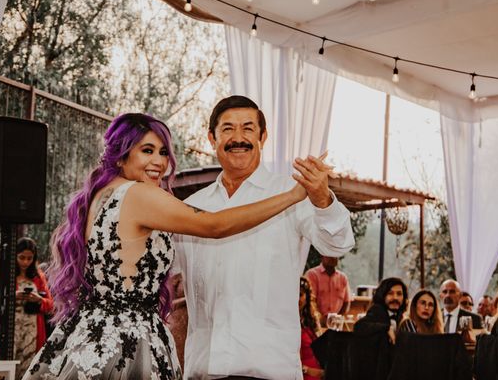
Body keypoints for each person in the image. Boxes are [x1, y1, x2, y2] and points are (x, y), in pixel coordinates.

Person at [24, 112, 309, 380]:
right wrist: (292, 195)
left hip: (90, 333)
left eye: (163, 152)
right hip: (129, 342)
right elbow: (215, 225)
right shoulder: (138, 194)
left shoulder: (101, 194)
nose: (159, 162)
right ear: (120, 155)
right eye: (146, 150)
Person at [173, 96, 354, 380]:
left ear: (263, 137)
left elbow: (338, 243)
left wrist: (322, 199)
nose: (238, 138)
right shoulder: (193, 207)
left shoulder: (292, 193)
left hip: (269, 370)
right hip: (202, 370)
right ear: (211, 137)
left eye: (248, 128)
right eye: (228, 129)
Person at [13, 237, 53, 378]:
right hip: (11, 331)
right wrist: (11, 296)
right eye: (21, 257)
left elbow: (51, 304)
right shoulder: (5, 274)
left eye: (29, 258)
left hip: (33, 331)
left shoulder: (38, 277)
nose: (25, 262)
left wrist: (39, 299)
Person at [354, 277, 408, 344]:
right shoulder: (377, 311)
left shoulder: (400, 315)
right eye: (390, 293)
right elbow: (359, 326)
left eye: (399, 294)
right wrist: (386, 328)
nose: (395, 298)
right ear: (382, 296)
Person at [305, 255, 351, 326]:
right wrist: (319, 319)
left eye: (336, 255)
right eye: (329, 254)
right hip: (315, 323)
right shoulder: (312, 275)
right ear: (322, 256)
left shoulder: (342, 278)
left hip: (336, 325)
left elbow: (347, 302)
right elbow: (309, 301)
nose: (333, 257)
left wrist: (337, 319)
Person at [299, 277, 324, 380]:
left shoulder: (310, 318)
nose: (297, 299)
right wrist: (308, 370)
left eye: (300, 295)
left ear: (307, 297)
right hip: (304, 374)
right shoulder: (286, 321)